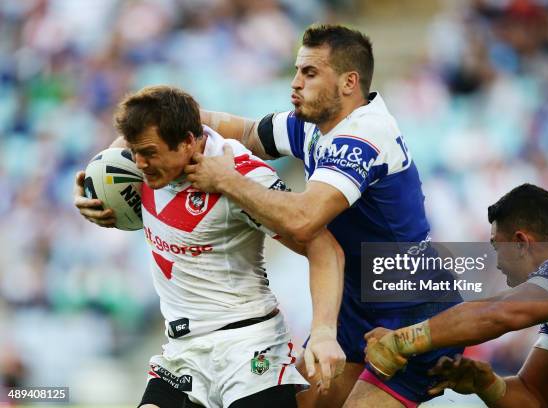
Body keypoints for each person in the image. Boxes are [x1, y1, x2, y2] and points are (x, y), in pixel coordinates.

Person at [178, 24, 464, 407]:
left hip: (411, 309)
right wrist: (165, 121)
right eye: (297, 71)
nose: (295, 83)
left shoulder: (363, 136)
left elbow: (304, 219)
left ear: (349, 82)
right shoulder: (316, 125)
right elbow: (245, 131)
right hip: (358, 302)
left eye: (309, 73)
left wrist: (228, 181)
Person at [73, 85, 345, 408]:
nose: (139, 164)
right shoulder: (138, 161)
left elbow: (323, 247)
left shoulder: (241, 176)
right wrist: (94, 188)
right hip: (182, 354)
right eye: (134, 152)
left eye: (148, 153)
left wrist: (325, 331)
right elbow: (123, 150)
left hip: (248, 351)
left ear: (189, 141)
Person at [365, 183, 548, 407]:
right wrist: (487, 383)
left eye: (496, 247)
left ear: (520, 242)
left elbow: (497, 313)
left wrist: (401, 341)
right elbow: (533, 398)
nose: (497, 264)